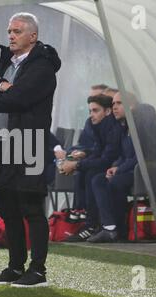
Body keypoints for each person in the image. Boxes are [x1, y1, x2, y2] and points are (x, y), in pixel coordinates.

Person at [0, 12, 61, 287]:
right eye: (10, 31)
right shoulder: (7, 62)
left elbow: (17, 99)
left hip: (28, 144)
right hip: (0, 145)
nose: (10, 35)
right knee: (9, 207)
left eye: (17, 31)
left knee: (32, 207)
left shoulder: (42, 66)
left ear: (32, 36)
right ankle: (14, 266)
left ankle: (38, 271)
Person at [60, 94, 122, 242]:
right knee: (86, 172)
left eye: (95, 110)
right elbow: (94, 149)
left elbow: (107, 158)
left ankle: (93, 224)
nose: (91, 115)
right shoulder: (95, 124)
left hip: (116, 167)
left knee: (93, 176)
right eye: (90, 111)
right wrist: (83, 153)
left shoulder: (114, 128)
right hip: (107, 165)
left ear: (107, 112)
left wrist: (77, 164)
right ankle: (85, 217)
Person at [88, 91, 137, 242]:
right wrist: (115, 167)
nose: (114, 107)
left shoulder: (139, 126)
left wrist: (119, 169)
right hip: (128, 169)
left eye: (119, 103)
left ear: (132, 106)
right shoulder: (124, 127)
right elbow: (124, 155)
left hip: (145, 172)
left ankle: (119, 229)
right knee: (98, 179)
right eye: (113, 103)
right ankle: (109, 227)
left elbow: (141, 156)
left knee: (115, 182)